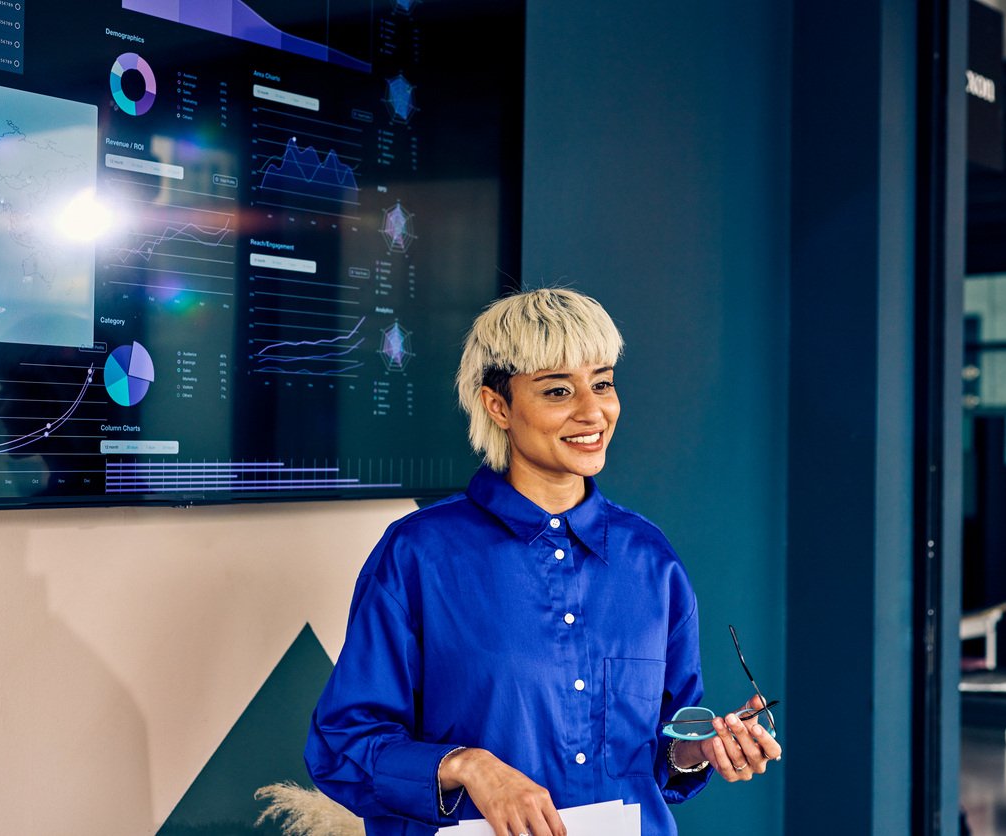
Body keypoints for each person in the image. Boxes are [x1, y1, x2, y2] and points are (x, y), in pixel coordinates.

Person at [304, 287, 781, 836]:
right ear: (498, 406)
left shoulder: (651, 561)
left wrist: (703, 751)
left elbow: (663, 750)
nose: (593, 410)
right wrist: (466, 765)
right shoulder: (419, 555)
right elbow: (342, 746)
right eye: (558, 390)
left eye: (602, 383)